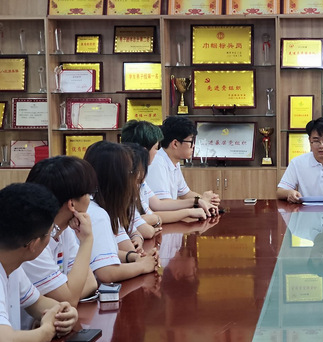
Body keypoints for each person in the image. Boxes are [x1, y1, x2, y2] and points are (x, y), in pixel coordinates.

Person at [0, 183, 78, 342]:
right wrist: (47, 330)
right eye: (50, 233)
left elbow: (38, 303)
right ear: (34, 244)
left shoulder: (13, 265)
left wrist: (65, 313)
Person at [22, 156, 98, 307]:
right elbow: (69, 299)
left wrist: (70, 293)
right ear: (72, 204)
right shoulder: (32, 241)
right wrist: (87, 240)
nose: (90, 199)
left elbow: (91, 283)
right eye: (88, 194)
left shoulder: (63, 230)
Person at [83, 141, 158, 283]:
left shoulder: (102, 206)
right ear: (116, 179)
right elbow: (106, 273)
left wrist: (132, 257)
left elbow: (100, 253)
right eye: (130, 173)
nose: (134, 179)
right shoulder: (97, 214)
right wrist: (143, 266)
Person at [121, 120, 210, 223]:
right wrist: (189, 210)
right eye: (156, 148)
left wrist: (197, 201)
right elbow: (149, 216)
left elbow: (157, 205)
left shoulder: (138, 177)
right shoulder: (151, 166)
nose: (157, 152)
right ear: (143, 152)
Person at [145, 117, 220, 216]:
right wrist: (198, 202)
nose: (193, 146)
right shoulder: (157, 163)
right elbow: (163, 205)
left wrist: (206, 201)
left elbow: (186, 194)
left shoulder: (174, 162)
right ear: (175, 144)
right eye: (191, 142)